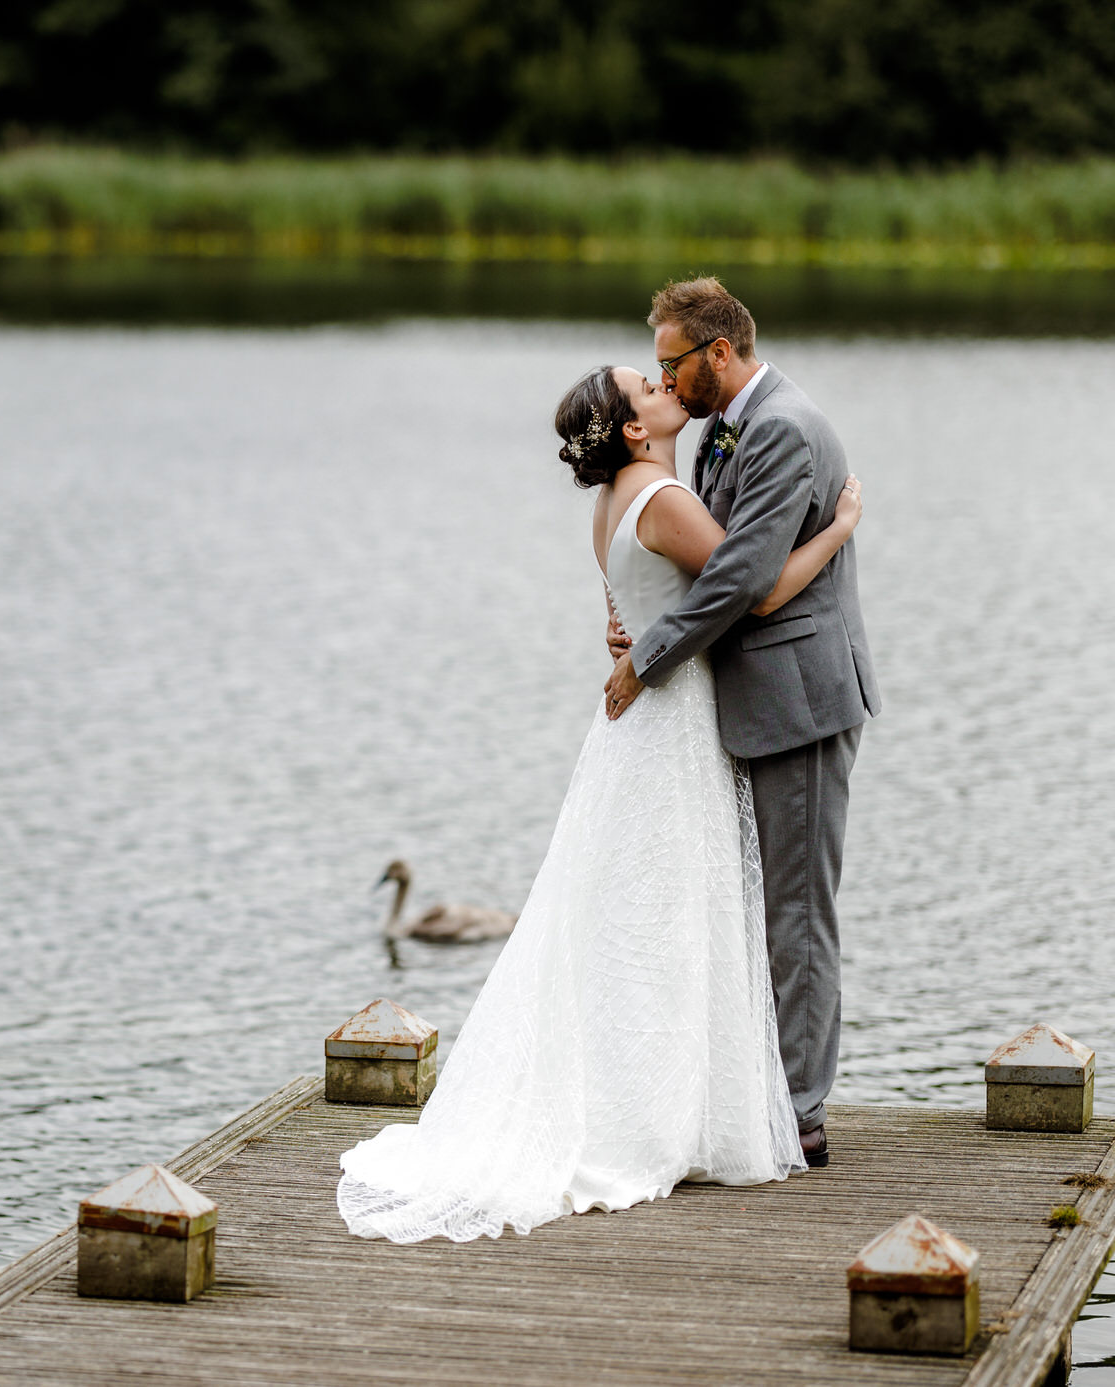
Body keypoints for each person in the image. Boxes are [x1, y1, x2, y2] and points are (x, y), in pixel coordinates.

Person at [336, 354, 864, 1243]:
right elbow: (758, 590)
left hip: (634, 729)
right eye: (649, 387)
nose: (666, 390)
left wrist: (636, 633)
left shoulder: (612, 504)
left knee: (624, 919)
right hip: (680, 722)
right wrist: (839, 526)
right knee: (670, 919)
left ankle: (646, 1099)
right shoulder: (665, 500)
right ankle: (662, 1116)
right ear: (632, 427)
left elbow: (636, 605)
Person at [604, 278, 879, 1168]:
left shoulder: (783, 427)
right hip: (754, 699)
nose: (667, 379)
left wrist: (648, 660)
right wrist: (641, 620)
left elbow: (745, 584)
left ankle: (800, 1110)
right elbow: (706, 563)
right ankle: (759, 1089)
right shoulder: (733, 425)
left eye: (672, 364)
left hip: (798, 701)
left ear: (718, 354)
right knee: (760, 906)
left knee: (796, 911)